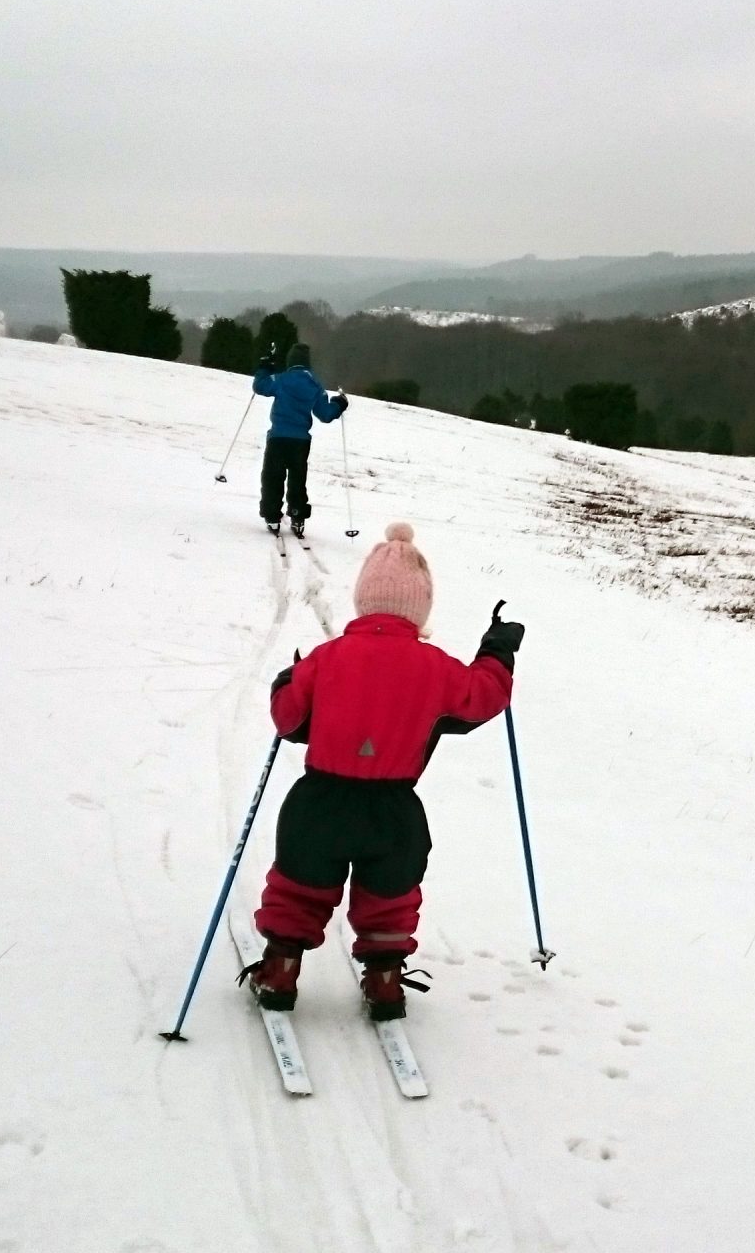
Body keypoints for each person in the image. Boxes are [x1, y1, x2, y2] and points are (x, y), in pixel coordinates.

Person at [242, 524, 524, 1020]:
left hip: (320, 802)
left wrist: (287, 679)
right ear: (420, 608)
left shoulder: (327, 658)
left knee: (300, 884)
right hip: (394, 810)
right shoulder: (436, 667)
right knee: (390, 893)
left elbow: (288, 720)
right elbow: (484, 698)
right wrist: (497, 652)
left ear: (363, 600)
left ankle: (281, 968)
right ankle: (386, 980)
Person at [252, 343, 347, 536]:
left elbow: (260, 386)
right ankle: (297, 515)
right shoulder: (316, 385)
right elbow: (326, 415)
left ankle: (272, 516)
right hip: (301, 441)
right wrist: (339, 404)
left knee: (273, 476)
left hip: (278, 437)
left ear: (290, 361)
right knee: (297, 479)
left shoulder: (282, 379)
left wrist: (265, 367)